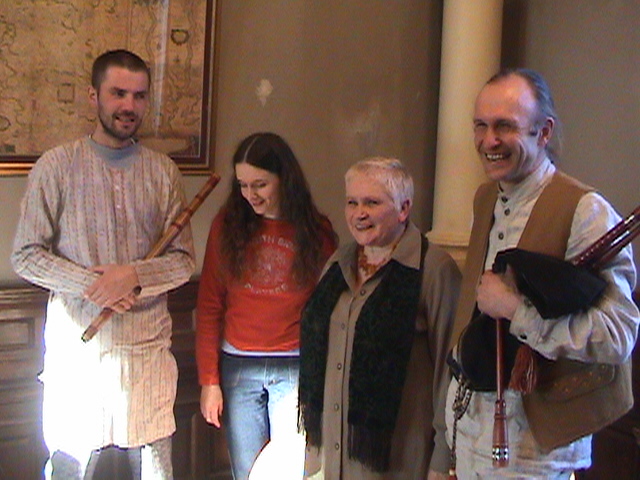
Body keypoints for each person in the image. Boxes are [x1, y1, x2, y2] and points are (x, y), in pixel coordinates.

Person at [437, 68, 639, 479]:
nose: (489, 141)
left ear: (544, 132)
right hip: (471, 431)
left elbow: (618, 335)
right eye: (481, 125)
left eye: (505, 126)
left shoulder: (586, 211)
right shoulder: (485, 198)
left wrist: (517, 310)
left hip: (536, 450)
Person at [11, 49, 195, 479]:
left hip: (145, 361)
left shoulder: (163, 172)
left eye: (139, 96)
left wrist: (133, 276)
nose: (129, 105)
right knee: (68, 471)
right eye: (118, 93)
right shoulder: (56, 166)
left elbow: (183, 261)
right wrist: (91, 284)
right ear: (93, 96)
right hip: (79, 363)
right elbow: (25, 254)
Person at [298, 157, 462, 479]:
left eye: (372, 203)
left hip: (400, 460)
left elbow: (451, 374)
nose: (359, 213)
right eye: (352, 203)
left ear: (404, 209)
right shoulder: (337, 264)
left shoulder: (434, 270)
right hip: (332, 457)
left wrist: (442, 463)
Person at [196, 132, 337, 480]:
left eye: (260, 184)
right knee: (247, 473)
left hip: (295, 367)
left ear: (284, 179)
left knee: (288, 471)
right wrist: (209, 381)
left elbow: (328, 308)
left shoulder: (315, 230)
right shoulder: (226, 225)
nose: (251, 195)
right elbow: (210, 304)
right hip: (237, 367)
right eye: (243, 185)